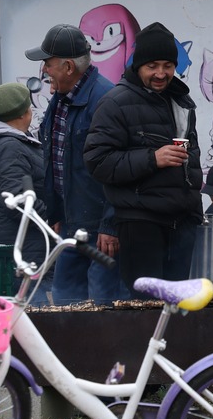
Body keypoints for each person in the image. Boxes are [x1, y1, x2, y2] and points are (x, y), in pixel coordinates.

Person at [84, 21, 204, 288]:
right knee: (146, 308)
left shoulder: (182, 102)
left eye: (168, 66)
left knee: (182, 307)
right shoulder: (115, 103)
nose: (161, 74)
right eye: (152, 66)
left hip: (183, 222)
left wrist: (194, 204)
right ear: (137, 66)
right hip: (141, 224)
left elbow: (191, 154)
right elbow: (98, 161)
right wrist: (153, 158)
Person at [26, 25, 116, 304]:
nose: (43, 70)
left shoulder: (105, 99)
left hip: (100, 228)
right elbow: (56, 160)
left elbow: (118, 169)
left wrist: (110, 225)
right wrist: (56, 214)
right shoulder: (61, 99)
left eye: (48, 63)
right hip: (70, 223)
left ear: (67, 66)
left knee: (103, 305)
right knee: (65, 299)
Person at [0, 81, 44, 257]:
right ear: (22, 114)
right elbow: (18, 200)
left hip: (19, 242)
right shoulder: (11, 147)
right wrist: (52, 217)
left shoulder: (8, 143)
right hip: (22, 246)